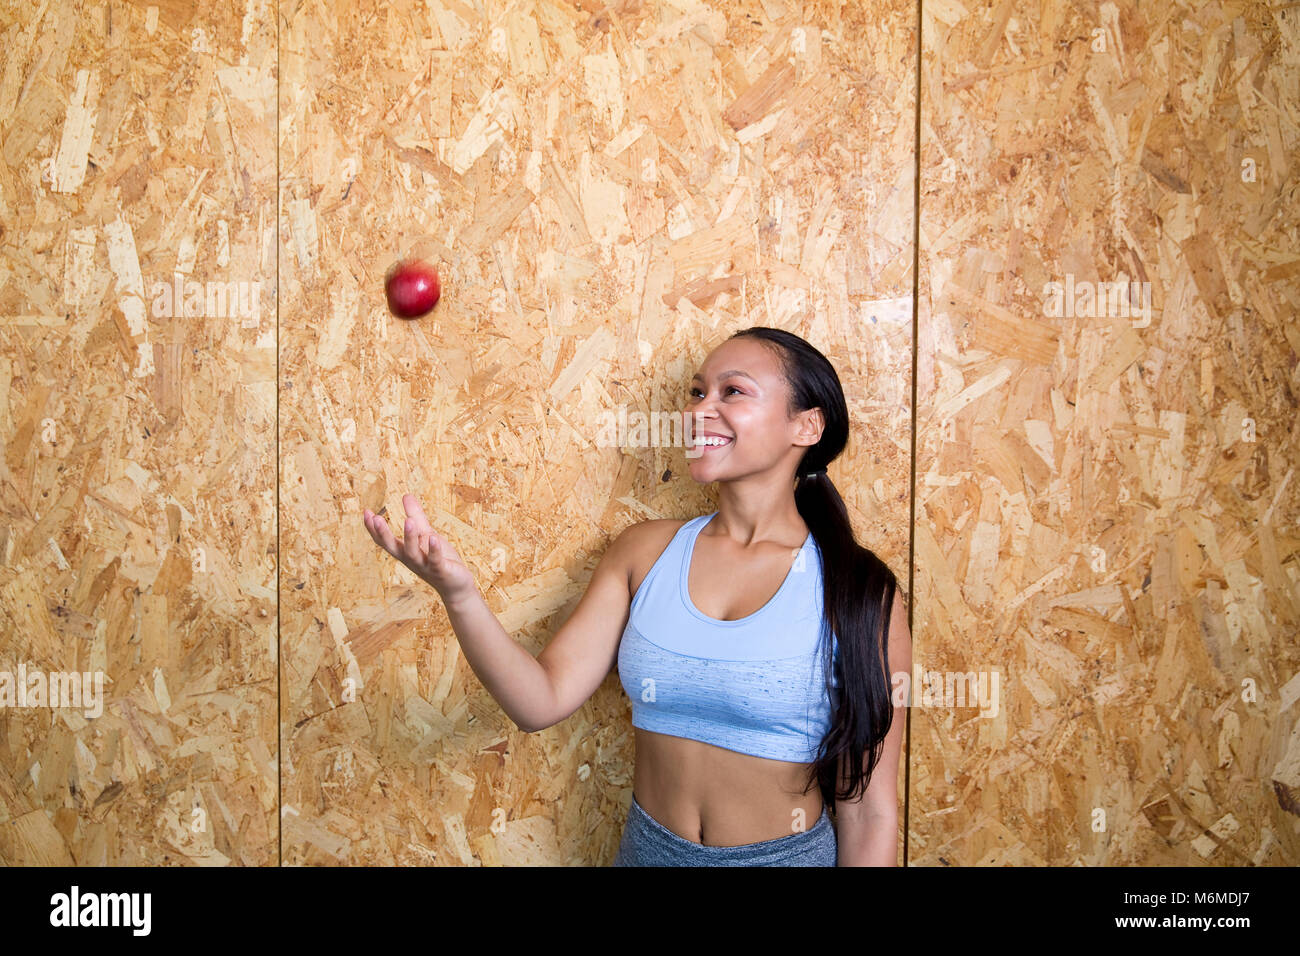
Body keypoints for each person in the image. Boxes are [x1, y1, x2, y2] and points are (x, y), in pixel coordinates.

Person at [362, 326, 910, 866]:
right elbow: (539, 701)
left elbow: (870, 814)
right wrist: (458, 594)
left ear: (806, 425)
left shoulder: (858, 592)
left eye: (732, 391)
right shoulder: (645, 553)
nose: (699, 410)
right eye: (696, 392)